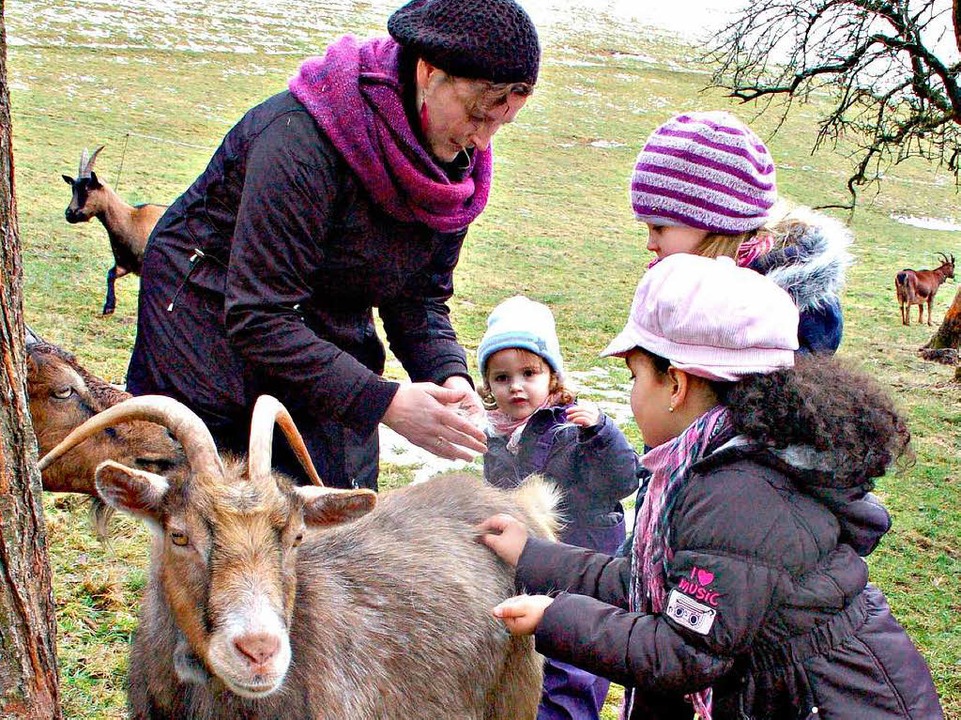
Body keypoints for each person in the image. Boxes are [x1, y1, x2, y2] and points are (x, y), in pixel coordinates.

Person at [478, 254, 944, 720]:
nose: (633, 394)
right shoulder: (713, 465)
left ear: (676, 385)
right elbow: (647, 583)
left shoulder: (738, 497)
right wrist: (532, 554)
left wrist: (554, 618)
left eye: (636, 377)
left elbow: (683, 651)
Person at [125, 0, 542, 490]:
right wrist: (382, 401)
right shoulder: (298, 142)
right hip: (210, 334)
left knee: (334, 504)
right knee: (234, 520)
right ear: (429, 72)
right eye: (476, 115)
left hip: (317, 321)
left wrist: (449, 375)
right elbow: (259, 314)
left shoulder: (449, 178)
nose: (482, 140)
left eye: (500, 124)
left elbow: (419, 297)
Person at [476, 295, 640, 720]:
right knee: (535, 647)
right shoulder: (498, 434)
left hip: (583, 562)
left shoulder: (572, 428)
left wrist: (603, 435)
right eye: (501, 377)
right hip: (531, 559)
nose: (515, 386)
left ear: (552, 377)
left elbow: (623, 480)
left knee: (575, 657)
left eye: (529, 373)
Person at [630, 109, 852, 354]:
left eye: (660, 227)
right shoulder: (688, 286)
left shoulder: (791, 314)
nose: (650, 244)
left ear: (716, 222)